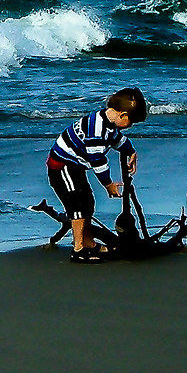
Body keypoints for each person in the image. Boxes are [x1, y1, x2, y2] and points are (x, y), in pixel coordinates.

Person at [47, 87, 147, 263]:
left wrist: (131, 151)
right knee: (76, 203)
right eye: (131, 122)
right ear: (123, 115)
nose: (130, 126)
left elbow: (118, 139)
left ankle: (88, 243)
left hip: (75, 166)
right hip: (62, 166)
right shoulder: (96, 129)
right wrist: (108, 184)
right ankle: (78, 249)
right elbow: (97, 161)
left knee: (87, 202)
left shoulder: (108, 121)